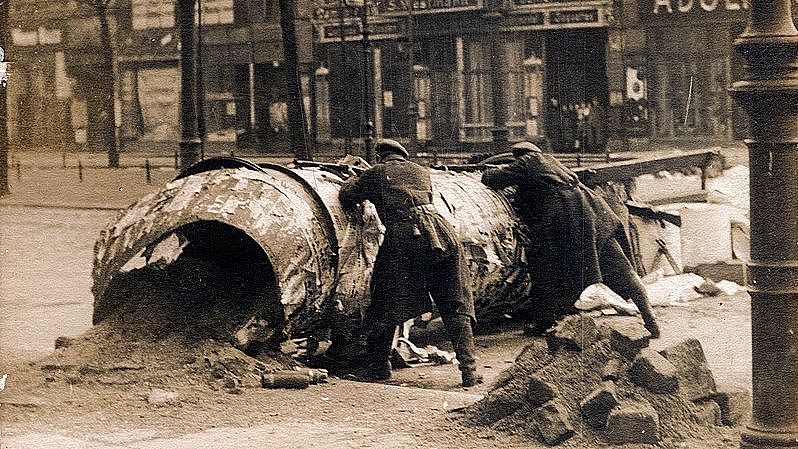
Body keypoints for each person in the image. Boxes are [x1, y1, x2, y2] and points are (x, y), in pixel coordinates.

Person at [338, 139, 482, 387]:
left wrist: (355, 177)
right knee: (454, 302)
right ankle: (469, 371)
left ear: (380, 156)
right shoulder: (421, 171)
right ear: (402, 156)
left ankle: (378, 367)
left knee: (385, 300)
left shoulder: (377, 172)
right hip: (442, 233)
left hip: (405, 236)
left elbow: (347, 195)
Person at [481, 141, 660, 338]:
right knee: (621, 269)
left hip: (566, 216)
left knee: (544, 268)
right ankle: (649, 316)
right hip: (594, 213)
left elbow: (490, 178)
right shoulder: (554, 164)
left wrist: (496, 169)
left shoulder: (528, 161)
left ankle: (544, 321)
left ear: (520, 155)